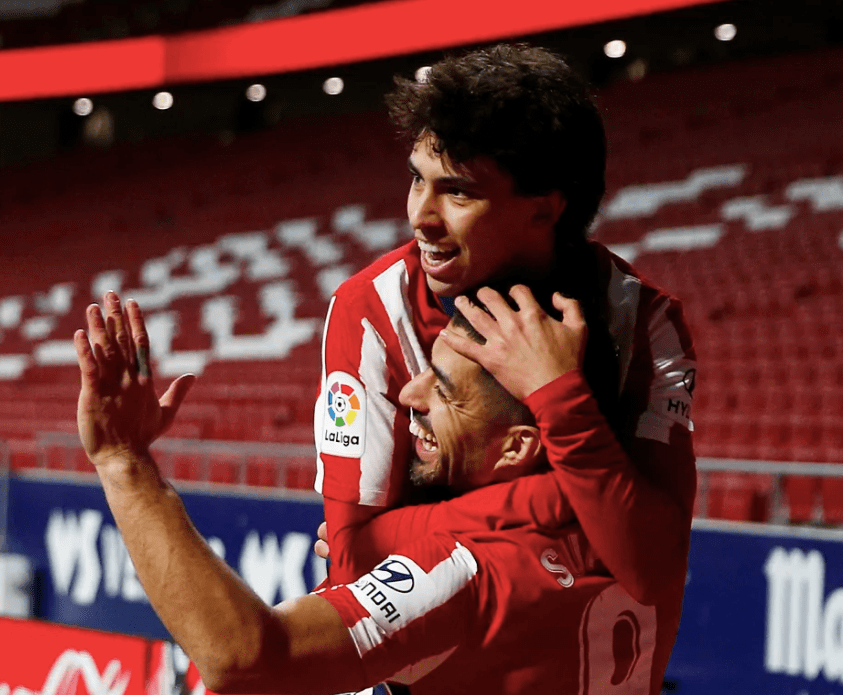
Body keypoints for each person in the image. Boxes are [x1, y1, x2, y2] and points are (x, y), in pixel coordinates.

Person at [74, 288, 676, 695]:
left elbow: (247, 657)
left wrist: (123, 464)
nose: (409, 397)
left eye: (444, 391)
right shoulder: (623, 530)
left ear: (516, 447)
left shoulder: (466, 571)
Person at [314, 42, 698, 611]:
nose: (419, 215)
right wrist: (552, 503)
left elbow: (655, 572)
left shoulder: (645, 323)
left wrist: (559, 397)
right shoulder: (369, 309)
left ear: (545, 209)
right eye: (417, 180)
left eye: (458, 192)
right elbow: (356, 563)